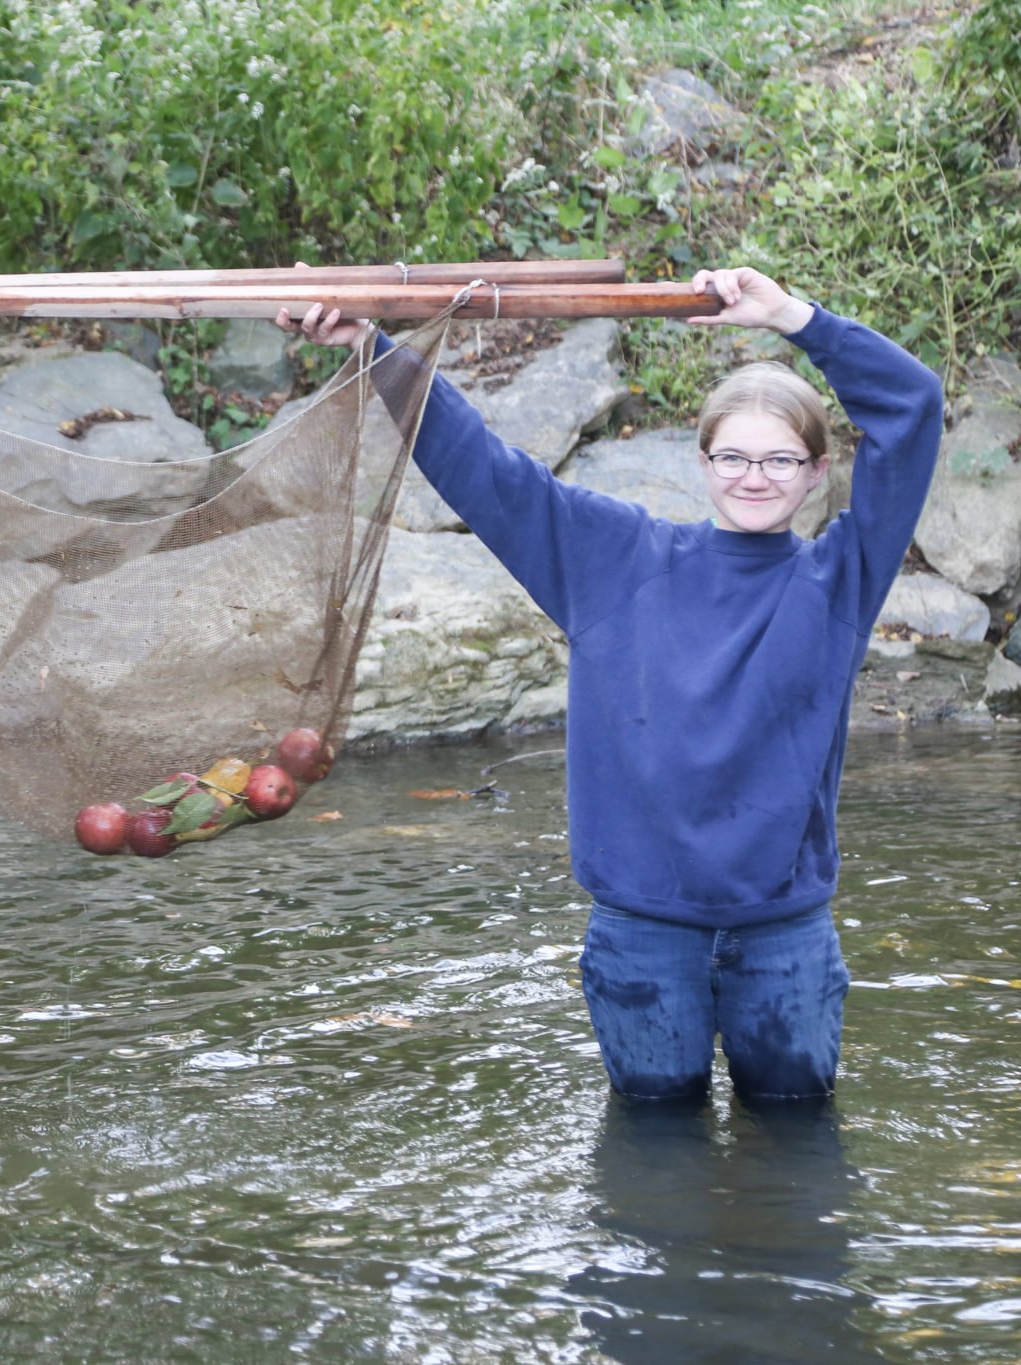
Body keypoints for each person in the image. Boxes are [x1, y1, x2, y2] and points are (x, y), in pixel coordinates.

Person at [279, 266, 944, 1102]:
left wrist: (794, 317)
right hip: (641, 932)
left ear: (816, 475)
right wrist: (371, 348)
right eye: (732, 455)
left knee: (798, 1142)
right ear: (701, 462)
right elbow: (485, 470)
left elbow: (912, 408)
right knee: (656, 1153)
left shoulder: (840, 581)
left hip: (783, 936)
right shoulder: (613, 558)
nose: (754, 476)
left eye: (781, 459)